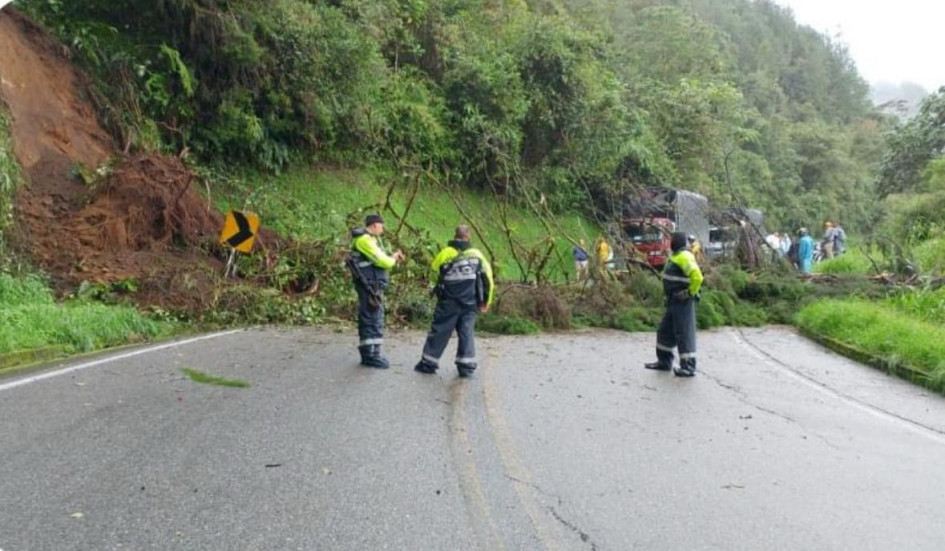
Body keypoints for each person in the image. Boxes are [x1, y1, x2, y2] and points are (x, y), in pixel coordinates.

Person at [414, 225, 495, 378]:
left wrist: (438, 293)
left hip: (448, 302)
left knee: (440, 330)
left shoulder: (445, 253)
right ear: (468, 237)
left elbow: (432, 275)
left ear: (454, 236)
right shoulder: (477, 255)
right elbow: (488, 280)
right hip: (470, 302)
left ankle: (428, 363)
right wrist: (485, 301)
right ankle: (466, 366)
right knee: (466, 332)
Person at [348, 214, 404, 369]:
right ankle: (370, 355)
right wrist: (392, 260)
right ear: (374, 225)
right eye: (381, 225)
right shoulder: (364, 240)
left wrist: (391, 257)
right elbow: (382, 261)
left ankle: (373, 353)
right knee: (371, 317)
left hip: (373, 285)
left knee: (374, 316)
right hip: (369, 286)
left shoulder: (369, 240)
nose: (383, 228)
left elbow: (380, 259)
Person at [645, 232, 704, 377]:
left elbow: (697, 276)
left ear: (678, 242)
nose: (671, 242)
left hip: (683, 301)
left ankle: (688, 367)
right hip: (673, 300)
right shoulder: (676, 256)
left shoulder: (685, 256)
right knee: (664, 331)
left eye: (673, 240)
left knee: (684, 333)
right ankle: (664, 362)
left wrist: (689, 293)